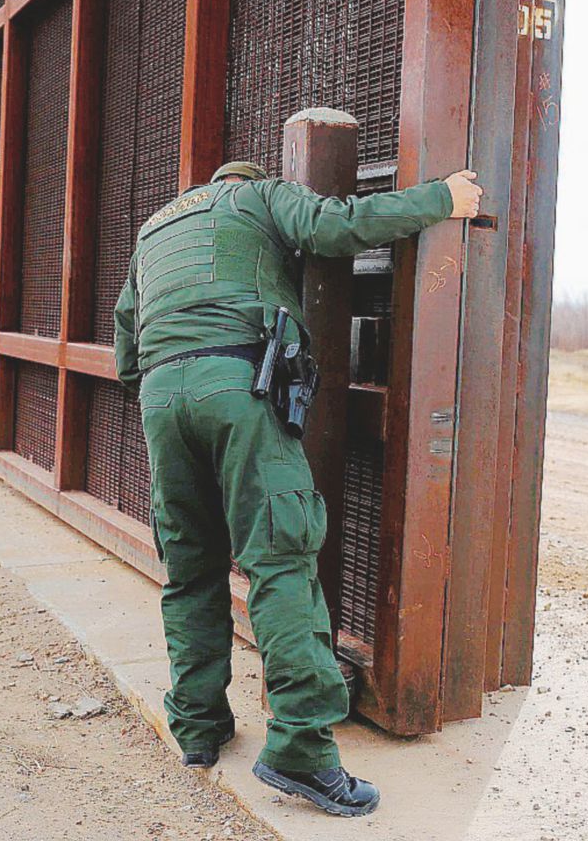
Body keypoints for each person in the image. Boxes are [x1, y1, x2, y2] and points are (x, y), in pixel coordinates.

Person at [113, 160, 482, 817]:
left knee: (190, 565)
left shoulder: (155, 226)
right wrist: (440, 199)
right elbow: (334, 226)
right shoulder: (262, 195)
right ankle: (302, 752)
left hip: (161, 398)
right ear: (244, 179)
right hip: (238, 383)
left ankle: (198, 728)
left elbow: (126, 342)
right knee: (282, 557)